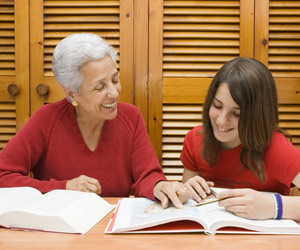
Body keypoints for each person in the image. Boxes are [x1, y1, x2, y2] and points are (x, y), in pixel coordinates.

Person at [0, 33, 189, 208]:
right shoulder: (47, 119)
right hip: (59, 233)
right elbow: (3, 175)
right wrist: (63, 188)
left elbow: (147, 176)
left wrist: (159, 186)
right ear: (73, 93)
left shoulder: (131, 117)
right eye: (100, 87)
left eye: (115, 80)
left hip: (111, 232)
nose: (114, 93)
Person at [181, 57, 300, 220]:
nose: (222, 120)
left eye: (237, 113)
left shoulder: (278, 150)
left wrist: (274, 206)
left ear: (258, 115)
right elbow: (187, 206)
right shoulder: (195, 139)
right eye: (217, 105)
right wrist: (188, 190)